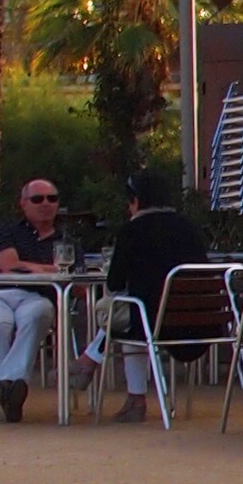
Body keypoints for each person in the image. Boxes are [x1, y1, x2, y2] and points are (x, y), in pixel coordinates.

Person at [93, 166, 212, 410]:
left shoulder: (132, 230)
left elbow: (114, 283)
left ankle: (133, 396)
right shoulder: (190, 227)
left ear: (135, 200)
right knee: (135, 310)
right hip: (202, 325)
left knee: (126, 314)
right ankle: (89, 358)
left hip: (154, 326)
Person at [0, 174, 73, 422]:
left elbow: (73, 276)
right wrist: (50, 269)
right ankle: (12, 389)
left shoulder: (66, 241)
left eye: (52, 198)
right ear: (23, 203)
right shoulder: (7, 231)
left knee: (38, 315)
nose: (46, 203)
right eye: (37, 198)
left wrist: (30, 267)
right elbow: (9, 265)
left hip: (37, 297)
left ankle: (2, 386)